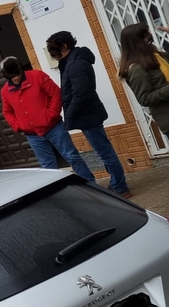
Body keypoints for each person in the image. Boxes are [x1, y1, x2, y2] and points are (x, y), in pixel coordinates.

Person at [47, 31, 131, 198]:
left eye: (53, 50)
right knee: (104, 151)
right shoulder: (72, 61)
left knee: (105, 152)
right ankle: (117, 184)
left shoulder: (76, 64)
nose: (52, 55)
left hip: (87, 115)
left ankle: (120, 187)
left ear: (64, 46)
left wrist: (69, 114)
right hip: (87, 114)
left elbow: (82, 93)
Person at [0, 56, 95, 181]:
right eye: (12, 77)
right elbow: (7, 112)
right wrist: (18, 125)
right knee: (48, 167)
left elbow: (56, 93)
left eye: (17, 74)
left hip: (54, 127)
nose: (16, 78)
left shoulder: (38, 76)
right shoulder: (5, 91)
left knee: (72, 157)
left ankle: (90, 184)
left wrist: (51, 114)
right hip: (33, 135)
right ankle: (59, 195)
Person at [119, 23, 169, 139]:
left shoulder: (159, 57)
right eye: (147, 33)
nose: (151, 34)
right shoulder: (137, 69)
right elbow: (144, 98)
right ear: (139, 41)